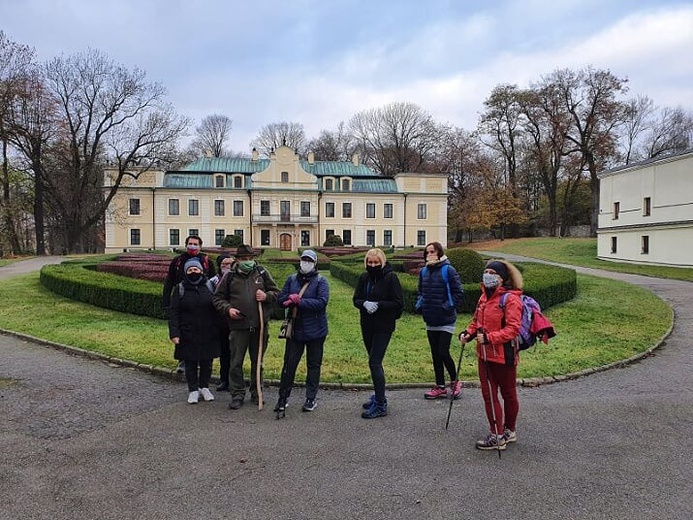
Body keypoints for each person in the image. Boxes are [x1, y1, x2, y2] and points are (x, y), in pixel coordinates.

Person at [458, 259, 523, 451]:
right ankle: (496, 435)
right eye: (486, 272)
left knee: (509, 394)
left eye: (493, 273)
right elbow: (476, 322)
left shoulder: (510, 299)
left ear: (502, 278)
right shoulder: (483, 297)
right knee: (489, 395)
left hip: (505, 355)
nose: (488, 276)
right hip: (484, 355)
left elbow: (513, 329)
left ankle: (509, 430)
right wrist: (468, 334)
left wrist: (489, 338)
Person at [212, 244, 279, 410]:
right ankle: (237, 394)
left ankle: (257, 393)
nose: (247, 261)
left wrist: (266, 296)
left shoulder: (261, 273)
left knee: (258, 362)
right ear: (237, 260)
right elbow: (217, 299)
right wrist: (229, 309)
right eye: (243, 259)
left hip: (259, 327)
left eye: (250, 258)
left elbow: (277, 293)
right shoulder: (229, 277)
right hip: (238, 327)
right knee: (236, 363)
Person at [274, 250, 329, 417]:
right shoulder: (292, 279)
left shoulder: (321, 281)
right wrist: (287, 299)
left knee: (314, 365)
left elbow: (321, 302)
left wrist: (300, 301)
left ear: (314, 263)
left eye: (309, 260)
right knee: (289, 365)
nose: (306, 262)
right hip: (296, 330)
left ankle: (310, 398)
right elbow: (280, 299)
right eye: (304, 259)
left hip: (316, 331)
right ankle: (283, 398)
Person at [353, 248, 403, 419]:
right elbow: (356, 299)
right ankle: (378, 395)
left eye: (376, 262)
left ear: (382, 262)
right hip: (367, 325)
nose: (372, 265)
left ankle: (381, 404)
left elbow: (397, 303)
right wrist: (365, 303)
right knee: (373, 362)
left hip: (383, 326)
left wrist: (379, 305)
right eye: (370, 262)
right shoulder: (364, 277)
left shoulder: (391, 278)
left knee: (375, 362)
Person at [168, 258, 221, 404]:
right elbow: (173, 312)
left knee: (207, 361)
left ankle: (204, 387)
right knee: (190, 362)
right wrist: (174, 333)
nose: (193, 272)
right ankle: (193, 390)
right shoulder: (179, 288)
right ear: (186, 272)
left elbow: (216, 308)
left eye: (196, 269)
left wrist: (218, 328)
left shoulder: (209, 286)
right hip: (188, 331)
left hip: (208, 331)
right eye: (190, 270)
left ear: (201, 271)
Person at [416, 241, 464, 400]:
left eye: (432, 251)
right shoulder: (424, 272)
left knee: (443, 352)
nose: (429, 254)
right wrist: (420, 304)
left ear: (439, 253)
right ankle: (440, 386)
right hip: (431, 318)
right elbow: (421, 291)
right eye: (427, 252)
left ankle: (455, 381)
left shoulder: (448, 270)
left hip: (446, 319)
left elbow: (458, 292)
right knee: (435, 354)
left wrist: (448, 306)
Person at [162, 235, 216, 374]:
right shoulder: (178, 260)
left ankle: (200, 360)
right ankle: (183, 360)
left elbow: (215, 282)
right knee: (183, 332)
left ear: (200, 246)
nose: (193, 246)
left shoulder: (206, 261)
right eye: (190, 244)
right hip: (183, 300)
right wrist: (166, 302)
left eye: (195, 244)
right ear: (186, 245)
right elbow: (169, 281)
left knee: (202, 333)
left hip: (202, 301)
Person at [210, 254, 235, 391]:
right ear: (219, 266)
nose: (227, 266)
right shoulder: (213, 281)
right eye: (224, 264)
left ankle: (233, 381)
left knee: (235, 353)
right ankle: (223, 379)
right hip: (220, 322)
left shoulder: (236, 278)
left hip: (235, 321)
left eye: (230, 264)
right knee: (224, 352)